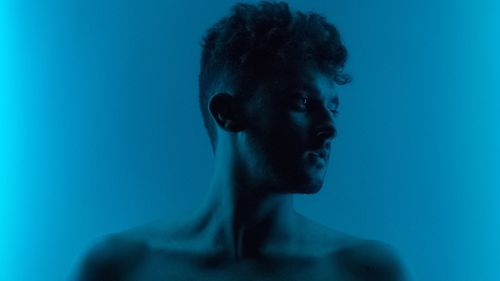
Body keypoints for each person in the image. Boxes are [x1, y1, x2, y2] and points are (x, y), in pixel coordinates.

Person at [73, 1, 413, 280]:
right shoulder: (118, 269)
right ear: (228, 113)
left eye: (333, 109)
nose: (329, 128)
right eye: (302, 103)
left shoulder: (366, 272)